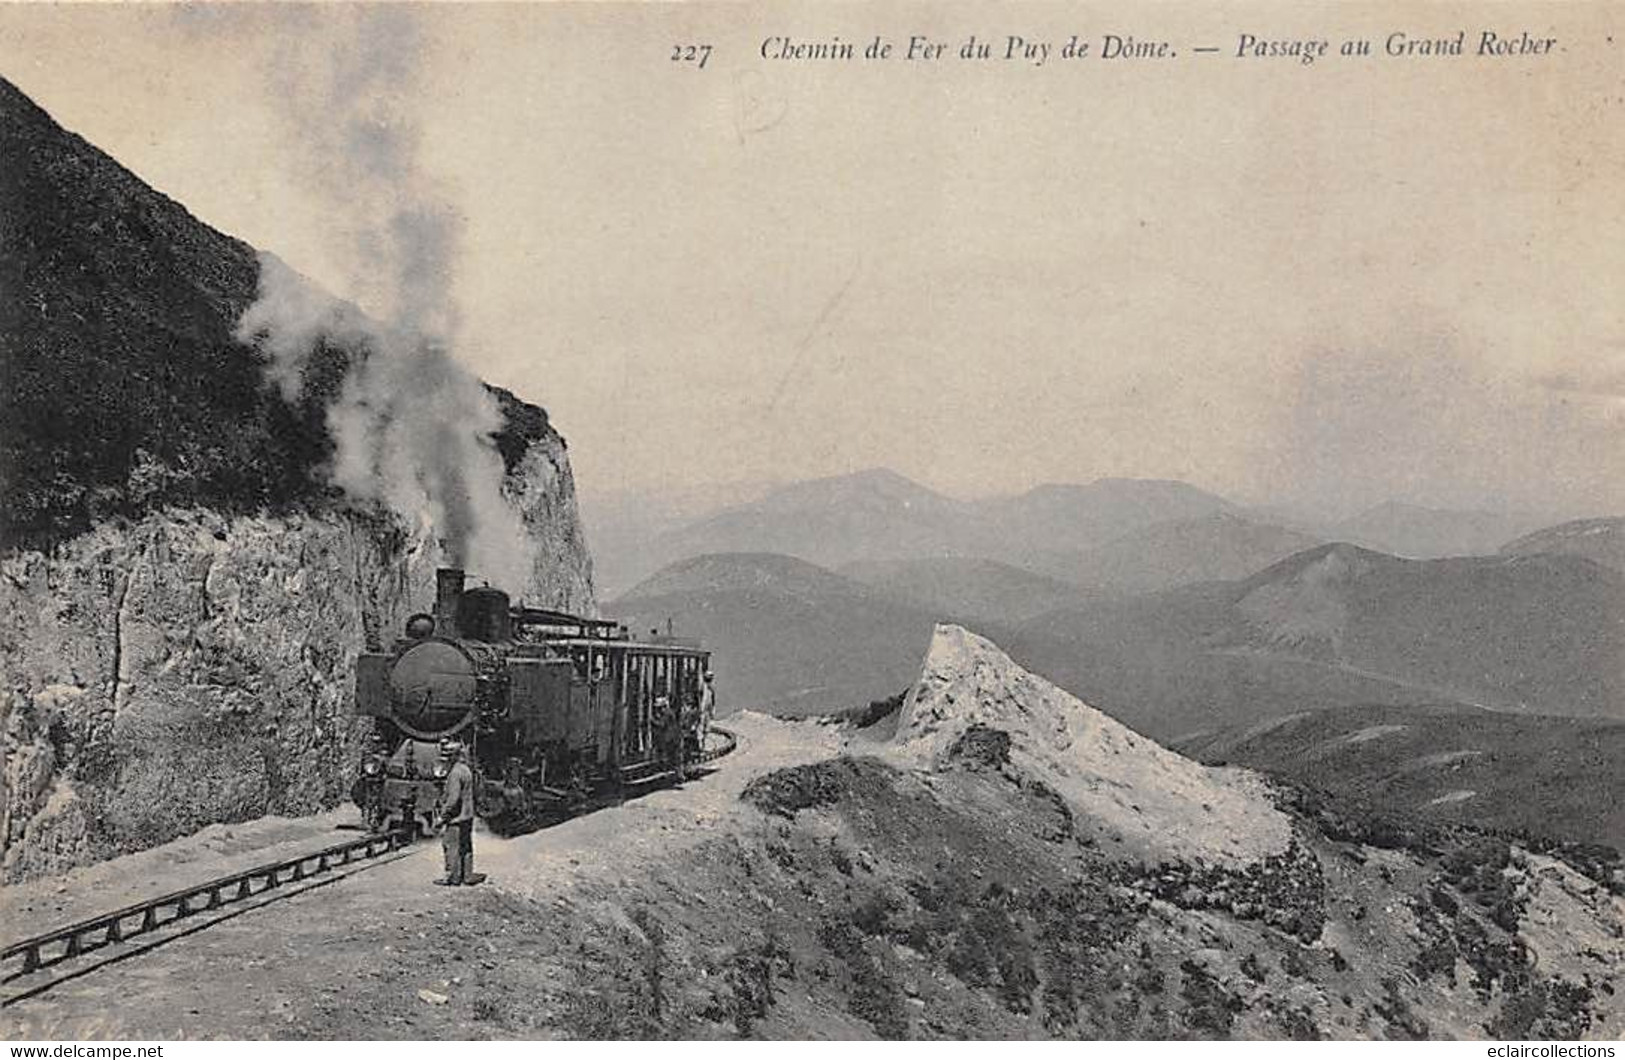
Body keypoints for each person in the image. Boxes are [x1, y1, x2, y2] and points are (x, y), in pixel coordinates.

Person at [435, 739, 479, 886]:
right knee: (466, 845)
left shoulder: (454, 773)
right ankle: (467, 875)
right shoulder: (466, 769)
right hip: (467, 815)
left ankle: (452, 877)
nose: (445, 759)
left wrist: (443, 816)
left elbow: (453, 799)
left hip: (456, 817)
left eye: (447, 755)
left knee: (450, 845)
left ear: (454, 756)